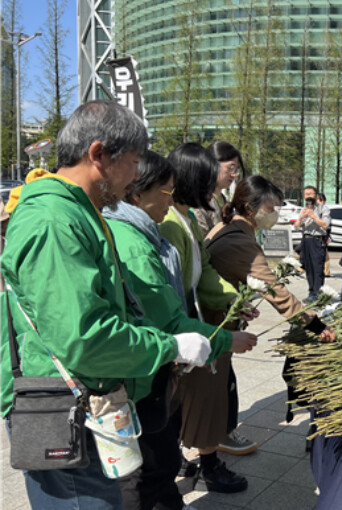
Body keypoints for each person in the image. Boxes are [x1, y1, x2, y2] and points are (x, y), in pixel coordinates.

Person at [0, 100, 211, 509]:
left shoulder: (82, 213)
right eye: (133, 162)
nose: (135, 176)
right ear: (98, 154)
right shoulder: (54, 220)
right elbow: (84, 339)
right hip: (62, 410)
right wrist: (170, 346)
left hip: (83, 405)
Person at [103, 150, 258, 509]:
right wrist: (223, 339)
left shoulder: (158, 226)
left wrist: (233, 301)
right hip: (150, 364)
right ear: (137, 192)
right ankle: (206, 463)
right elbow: (167, 316)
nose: (217, 187)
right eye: (167, 190)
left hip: (165, 354)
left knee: (159, 460)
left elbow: (197, 276)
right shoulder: (148, 235)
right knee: (151, 468)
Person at [159, 143, 254, 493]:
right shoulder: (169, 222)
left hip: (193, 322)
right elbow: (172, 294)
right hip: (182, 327)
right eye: (208, 180)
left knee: (186, 402)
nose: (215, 189)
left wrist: (234, 299)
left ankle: (194, 461)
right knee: (178, 404)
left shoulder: (184, 217)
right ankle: (196, 465)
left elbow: (206, 270)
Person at [204, 175, 335, 340]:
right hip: (215, 328)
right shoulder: (240, 243)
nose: (274, 214)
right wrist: (317, 325)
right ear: (250, 208)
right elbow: (275, 291)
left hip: (214, 317)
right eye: (270, 208)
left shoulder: (226, 225)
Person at [194, 140, 243, 238]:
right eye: (230, 168)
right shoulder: (199, 203)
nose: (234, 175)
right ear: (212, 164)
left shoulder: (224, 201)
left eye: (236, 170)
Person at [295, 185, 330, 302]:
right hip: (306, 240)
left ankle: (318, 294)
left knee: (317, 268)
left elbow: (325, 225)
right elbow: (297, 226)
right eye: (306, 194)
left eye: (311, 194)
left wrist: (313, 216)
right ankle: (311, 292)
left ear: (316, 195)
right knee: (308, 267)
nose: (308, 196)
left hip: (317, 240)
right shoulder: (303, 209)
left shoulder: (323, 209)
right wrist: (301, 218)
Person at [318, 192, 332, 277]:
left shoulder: (325, 210)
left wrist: (328, 236)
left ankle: (326, 271)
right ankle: (326, 271)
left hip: (323, 236)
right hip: (320, 236)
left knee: (324, 254)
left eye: (320, 200)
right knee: (324, 254)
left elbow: (327, 225)